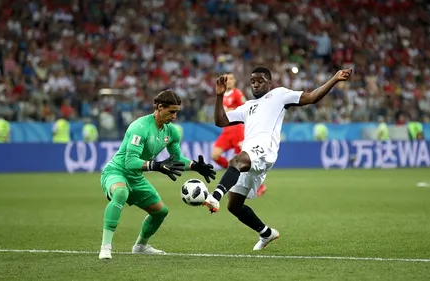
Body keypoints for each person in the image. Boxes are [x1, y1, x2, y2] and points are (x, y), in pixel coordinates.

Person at [204, 66, 352, 250]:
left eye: (260, 81)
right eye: (253, 81)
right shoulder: (247, 106)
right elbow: (220, 121)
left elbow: (312, 97)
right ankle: (266, 233)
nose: (256, 85)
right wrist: (219, 96)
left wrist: (335, 79)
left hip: (264, 150)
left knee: (235, 161)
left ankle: (214, 196)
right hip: (250, 155)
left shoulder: (280, 95)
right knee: (234, 205)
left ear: (269, 82)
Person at [98, 90, 216, 259]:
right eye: (171, 112)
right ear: (160, 107)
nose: (174, 116)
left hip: (136, 177)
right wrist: (157, 165)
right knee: (121, 193)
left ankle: (140, 246)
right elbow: (130, 162)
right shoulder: (139, 127)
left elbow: (177, 159)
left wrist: (195, 166)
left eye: (176, 112)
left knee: (161, 212)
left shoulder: (171, 132)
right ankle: (106, 246)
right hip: (117, 171)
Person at [211, 73, 267, 197]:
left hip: (237, 131)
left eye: (231, 78)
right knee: (215, 155)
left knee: (244, 162)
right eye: (226, 79)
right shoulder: (221, 95)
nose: (229, 81)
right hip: (226, 131)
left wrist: (230, 111)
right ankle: (232, 173)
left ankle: (260, 185)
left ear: (235, 81)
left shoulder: (237, 94)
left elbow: (245, 108)